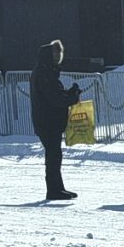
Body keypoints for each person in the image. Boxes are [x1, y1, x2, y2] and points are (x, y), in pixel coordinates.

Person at [28, 39, 82, 201]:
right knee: (53, 156)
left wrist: (69, 94)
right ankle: (54, 189)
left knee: (54, 155)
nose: (60, 56)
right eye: (57, 53)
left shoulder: (45, 72)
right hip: (48, 121)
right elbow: (55, 98)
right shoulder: (45, 73)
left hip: (47, 121)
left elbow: (55, 94)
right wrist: (72, 97)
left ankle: (57, 188)